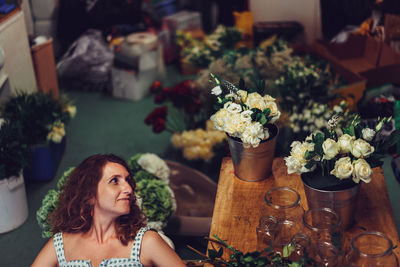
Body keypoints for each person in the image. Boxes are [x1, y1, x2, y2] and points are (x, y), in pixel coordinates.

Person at [32, 154, 186, 267]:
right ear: (89, 195)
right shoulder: (60, 245)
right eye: (114, 181)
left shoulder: (146, 242)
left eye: (127, 181)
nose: (128, 188)